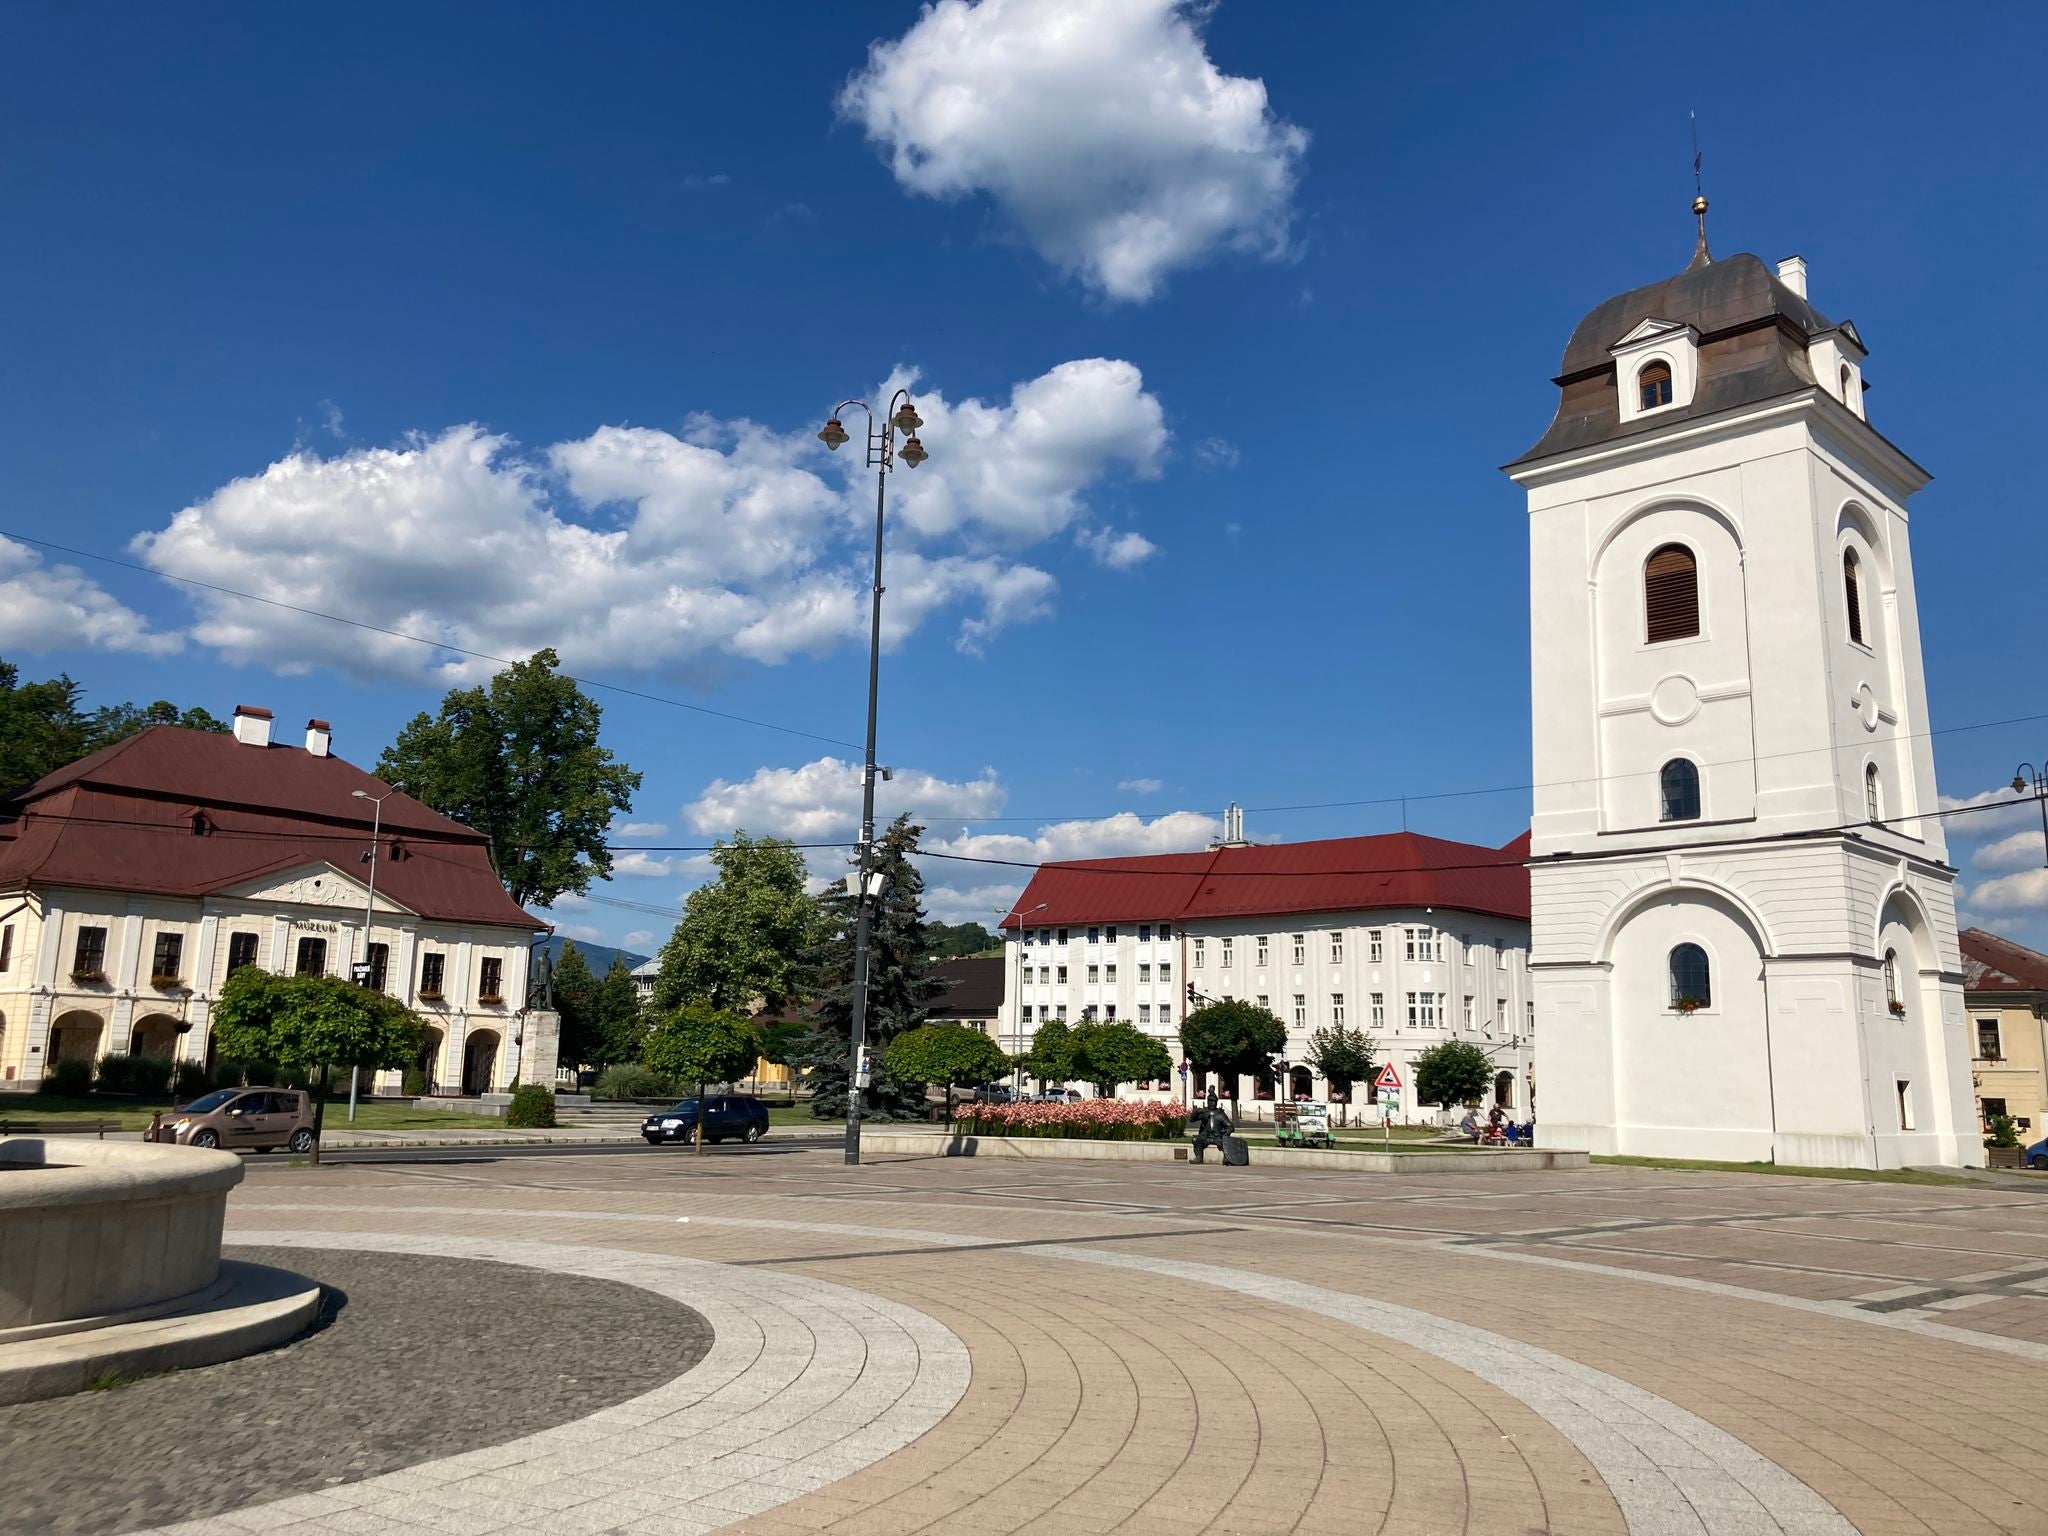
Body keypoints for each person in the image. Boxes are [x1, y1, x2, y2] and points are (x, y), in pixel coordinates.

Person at [1190, 1086, 1234, 1163]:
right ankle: (1199, 1157)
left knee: (1225, 1142)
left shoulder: (1220, 1114)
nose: (1211, 1103)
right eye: (1210, 1101)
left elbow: (1230, 1126)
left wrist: (1225, 1133)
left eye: (1213, 1101)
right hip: (1205, 1136)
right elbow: (1192, 1120)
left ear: (1216, 1102)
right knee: (1195, 1139)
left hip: (1217, 1137)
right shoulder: (1204, 1112)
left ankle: (1227, 1158)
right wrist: (1196, 1112)